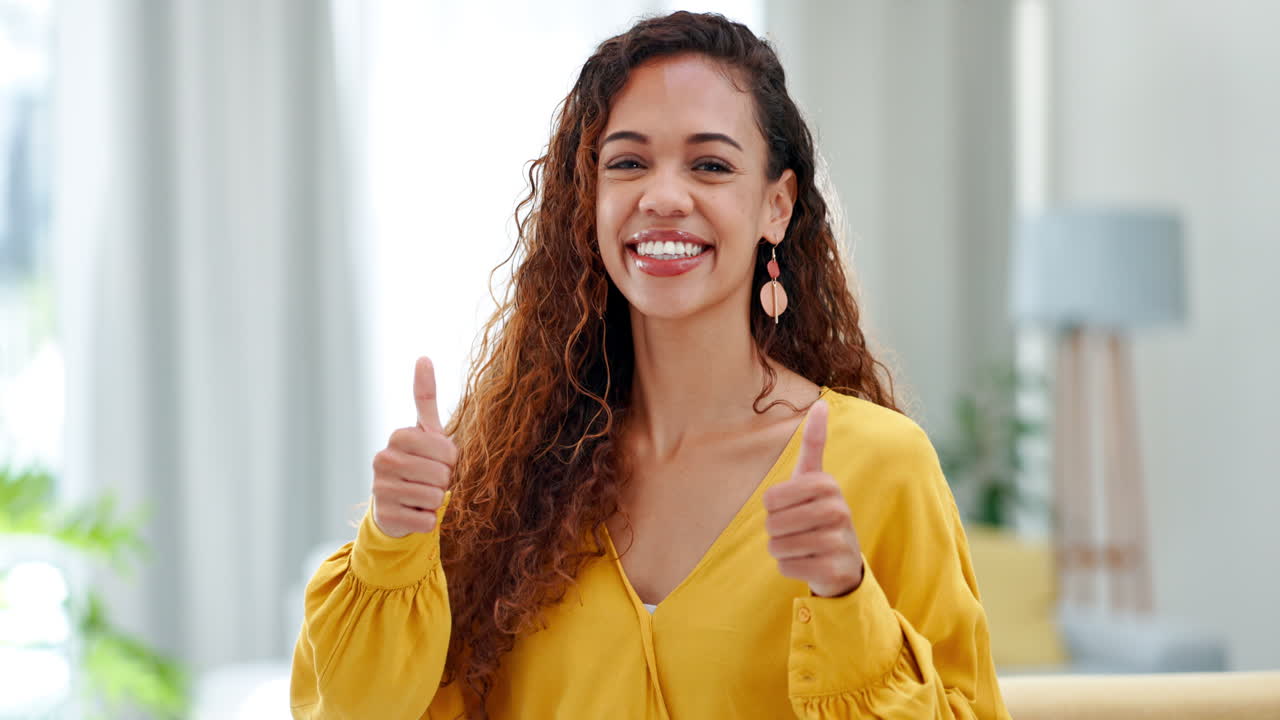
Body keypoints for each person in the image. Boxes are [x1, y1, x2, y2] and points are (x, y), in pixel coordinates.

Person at [291, 11, 1011, 720]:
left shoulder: (882, 466)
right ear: (590, 200)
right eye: (628, 163)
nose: (663, 198)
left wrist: (847, 597)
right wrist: (393, 540)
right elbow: (355, 710)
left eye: (710, 165)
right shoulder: (501, 472)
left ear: (777, 206)